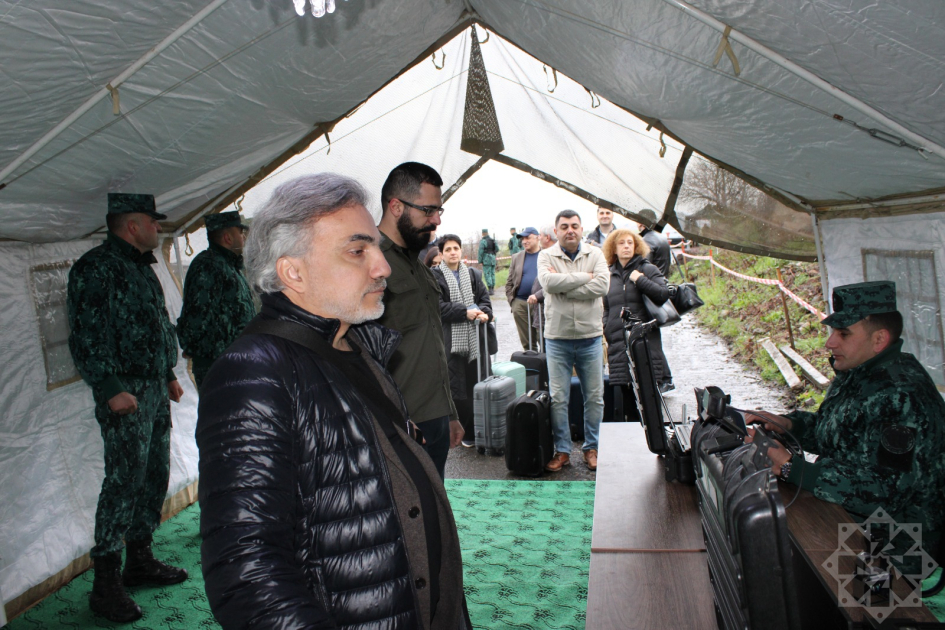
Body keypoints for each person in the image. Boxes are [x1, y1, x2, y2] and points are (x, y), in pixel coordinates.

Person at [197, 173, 471, 630]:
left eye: (376, 249)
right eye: (357, 251)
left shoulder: (357, 344)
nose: (381, 267)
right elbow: (247, 575)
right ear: (293, 272)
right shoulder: (255, 373)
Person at [745, 281, 945, 572]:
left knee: (780, 570)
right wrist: (788, 425)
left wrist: (792, 468)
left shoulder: (902, 395)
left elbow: (883, 490)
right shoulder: (861, 373)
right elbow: (841, 436)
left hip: (898, 554)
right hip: (855, 526)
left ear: (879, 339)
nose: (830, 343)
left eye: (844, 333)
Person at [67, 193, 187, 623]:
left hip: (152, 386)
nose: (158, 228)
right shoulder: (96, 267)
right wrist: (110, 387)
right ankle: (105, 584)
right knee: (123, 482)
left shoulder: (141, 266)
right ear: (132, 226)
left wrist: (167, 373)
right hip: (125, 391)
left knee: (153, 474)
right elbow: (86, 334)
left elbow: (155, 324)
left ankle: (139, 559)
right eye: (153, 222)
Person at [377, 162, 461, 480]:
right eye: (428, 210)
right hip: (399, 424)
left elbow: (432, 345)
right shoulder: (370, 264)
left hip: (434, 417)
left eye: (439, 210)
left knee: (434, 503)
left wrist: (449, 413)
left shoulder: (420, 266)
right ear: (396, 206)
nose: (437, 220)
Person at [538, 210, 609, 472]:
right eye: (565, 226)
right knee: (558, 398)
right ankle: (563, 450)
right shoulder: (546, 255)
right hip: (558, 338)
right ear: (556, 231)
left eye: (575, 226)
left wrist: (565, 288)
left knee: (595, 397)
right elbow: (548, 284)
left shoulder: (596, 254)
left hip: (591, 337)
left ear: (581, 229)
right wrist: (585, 277)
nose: (570, 230)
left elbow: (602, 287)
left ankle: (592, 448)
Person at [177, 211, 256, 389]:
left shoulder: (229, 266)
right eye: (240, 233)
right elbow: (196, 319)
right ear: (228, 237)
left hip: (236, 361)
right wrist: (203, 354)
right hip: (219, 365)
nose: (243, 238)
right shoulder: (208, 265)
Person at [600, 229, 671, 416]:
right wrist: (607, 326)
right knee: (627, 403)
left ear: (637, 246)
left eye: (630, 243)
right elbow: (606, 307)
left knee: (650, 402)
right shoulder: (609, 274)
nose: (626, 246)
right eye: (621, 243)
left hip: (645, 343)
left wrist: (640, 280)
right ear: (613, 248)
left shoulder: (647, 269)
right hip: (618, 346)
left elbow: (663, 294)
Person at [432, 234, 492, 448]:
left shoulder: (473, 274)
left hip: (476, 340)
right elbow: (436, 307)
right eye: (448, 249)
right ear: (441, 254)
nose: (452, 252)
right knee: (457, 388)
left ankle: (481, 428)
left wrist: (483, 313)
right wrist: (464, 312)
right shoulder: (434, 276)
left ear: (461, 250)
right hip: (451, 341)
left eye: (455, 248)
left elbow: (485, 301)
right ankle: (464, 431)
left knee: (478, 382)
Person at [505, 226, 541, 351]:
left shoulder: (546, 255)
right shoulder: (517, 257)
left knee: (543, 339)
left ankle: (545, 363)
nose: (524, 241)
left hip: (540, 303)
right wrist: (513, 302)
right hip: (520, 304)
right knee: (528, 343)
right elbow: (509, 282)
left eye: (528, 238)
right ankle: (531, 361)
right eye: (523, 239)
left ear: (538, 237)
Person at [528, 225, 558, 336]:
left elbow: (555, 281)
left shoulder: (556, 255)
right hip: (541, 310)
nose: (539, 238)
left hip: (551, 312)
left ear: (547, 237)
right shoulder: (545, 254)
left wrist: (538, 295)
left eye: (540, 235)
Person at [478, 228, 498, 294]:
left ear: (483, 233)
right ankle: (493, 288)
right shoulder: (493, 240)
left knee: (487, 274)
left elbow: (480, 251)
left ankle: (490, 289)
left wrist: (480, 261)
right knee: (492, 273)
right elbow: (497, 249)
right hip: (493, 258)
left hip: (486, 259)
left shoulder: (483, 241)